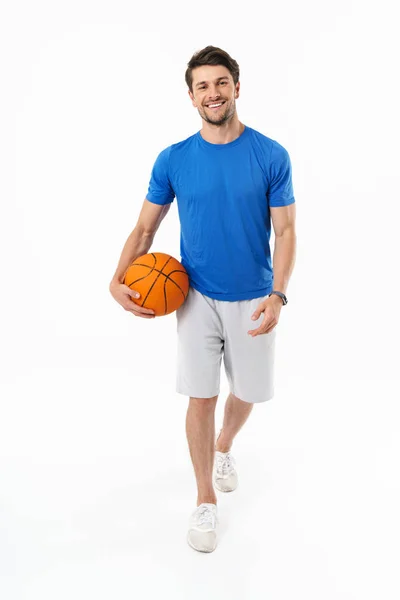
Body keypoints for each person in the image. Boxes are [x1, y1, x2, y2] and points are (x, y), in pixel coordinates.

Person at [109, 45, 297, 553]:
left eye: (221, 83)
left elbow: (285, 231)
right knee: (201, 395)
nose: (212, 94)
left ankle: (224, 446)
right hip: (193, 296)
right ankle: (205, 498)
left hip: (256, 294)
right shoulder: (173, 159)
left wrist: (279, 293)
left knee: (251, 392)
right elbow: (145, 227)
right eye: (202, 87)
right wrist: (116, 278)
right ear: (191, 97)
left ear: (237, 87)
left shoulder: (270, 154)